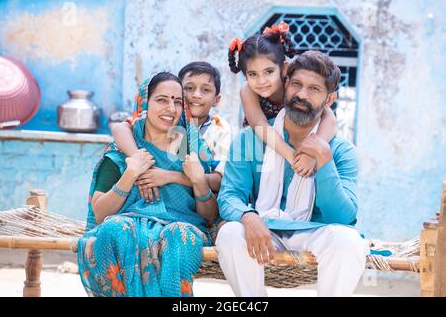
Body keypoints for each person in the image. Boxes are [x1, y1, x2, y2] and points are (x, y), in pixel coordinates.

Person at [216, 51, 369, 297]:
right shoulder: (250, 140)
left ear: (329, 99)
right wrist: (248, 216)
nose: (301, 94)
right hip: (265, 230)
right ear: (285, 84)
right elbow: (229, 195)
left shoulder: (341, 151)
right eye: (296, 84)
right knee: (231, 233)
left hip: (313, 231)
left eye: (314, 89)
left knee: (348, 241)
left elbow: (343, 217)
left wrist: (324, 161)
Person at [77, 72, 218, 297]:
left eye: (177, 101)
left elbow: (210, 215)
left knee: (177, 235)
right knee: (114, 230)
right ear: (145, 103)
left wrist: (197, 180)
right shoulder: (122, 150)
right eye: (162, 99)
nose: (171, 109)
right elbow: (100, 212)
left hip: (184, 225)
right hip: (129, 222)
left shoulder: (187, 145)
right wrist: (131, 174)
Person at [228, 21, 337, 177]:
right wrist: (293, 158)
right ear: (245, 75)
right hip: (262, 144)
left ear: (284, 68)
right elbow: (260, 125)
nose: (261, 81)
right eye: (253, 74)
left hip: (298, 139)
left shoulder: (295, 87)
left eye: (269, 72)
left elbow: (329, 117)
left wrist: (313, 152)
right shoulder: (248, 90)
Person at [111, 62, 231, 199]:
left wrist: (170, 176)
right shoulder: (166, 121)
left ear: (216, 100)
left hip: (204, 202)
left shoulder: (218, 128)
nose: (196, 95)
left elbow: (220, 181)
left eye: (205, 90)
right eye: (189, 88)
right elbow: (120, 128)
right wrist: (142, 166)